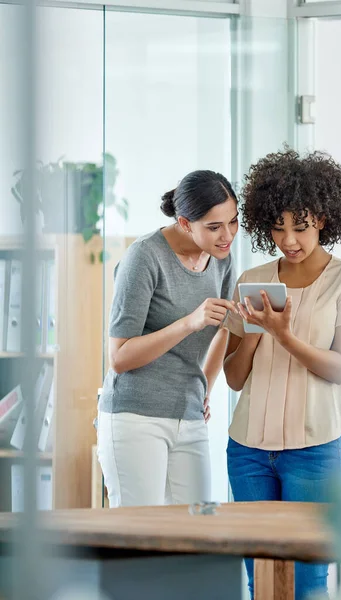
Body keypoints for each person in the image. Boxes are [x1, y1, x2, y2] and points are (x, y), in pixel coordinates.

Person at [223, 148, 341, 600]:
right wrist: (253, 332)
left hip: (316, 449)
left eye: (300, 227)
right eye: (277, 226)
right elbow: (234, 378)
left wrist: (284, 334)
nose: (288, 239)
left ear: (324, 220)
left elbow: (340, 368)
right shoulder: (253, 276)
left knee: (307, 581)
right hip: (248, 449)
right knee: (259, 578)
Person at [97, 170, 239, 508]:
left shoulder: (222, 260)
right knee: (140, 540)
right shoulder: (144, 257)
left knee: (196, 535)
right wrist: (189, 322)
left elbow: (224, 327)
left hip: (189, 416)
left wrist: (205, 385)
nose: (227, 235)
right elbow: (118, 356)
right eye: (214, 227)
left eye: (233, 221)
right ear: (186, 223)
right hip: (135, 415)